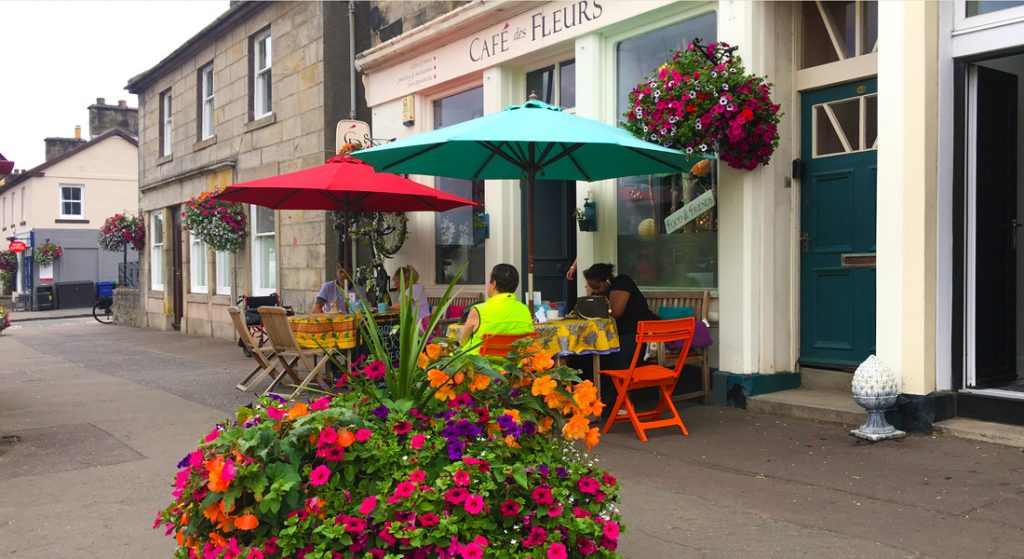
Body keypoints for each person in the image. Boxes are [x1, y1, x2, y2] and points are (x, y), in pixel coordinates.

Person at [581, 263, 657, 371]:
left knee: (613, 355)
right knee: (585, 352)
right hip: (620, 334)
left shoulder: (622, 282)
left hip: (641, 333)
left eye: (597, 287)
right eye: (592, 288)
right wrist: (591, 295)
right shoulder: (603, 293)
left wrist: (595, 296)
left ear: (607, 280)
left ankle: (616, 384)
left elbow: (615, 313)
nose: (596, 291)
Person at [460, 263, 535, 354]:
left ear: (494, 283)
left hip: (478, 365)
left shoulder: (479, 310)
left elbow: (462, 342)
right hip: (514, 364)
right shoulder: (524, 310)